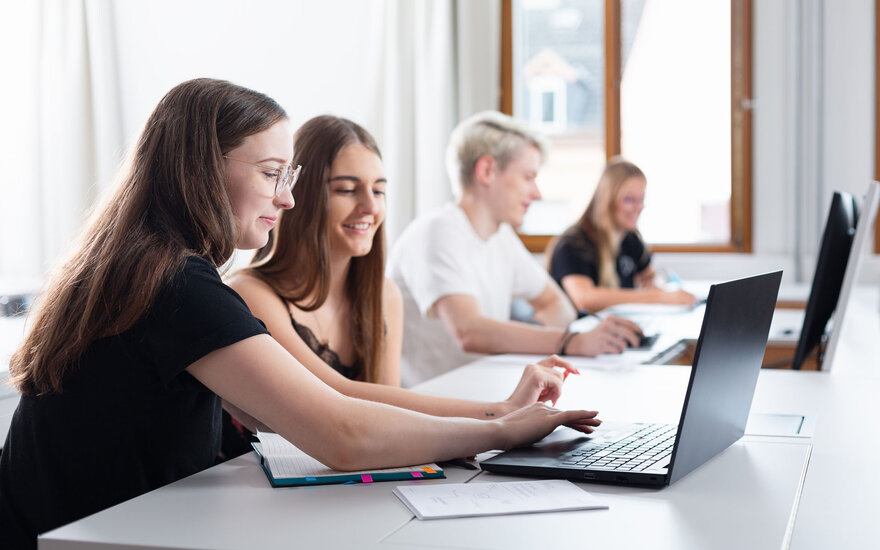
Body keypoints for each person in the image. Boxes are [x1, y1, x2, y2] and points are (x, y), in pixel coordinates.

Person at [0, 80, 601, 548]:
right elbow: (340, 429)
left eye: (288, 176)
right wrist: (500, 431)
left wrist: (500, 412)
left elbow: (306, 410)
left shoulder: (139, 266)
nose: (286, 197)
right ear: (200, 171)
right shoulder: (176, 284)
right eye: (271, 175)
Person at [224, 115, 574, 455]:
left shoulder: (382, 296)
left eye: (379, 191)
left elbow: (387, 419)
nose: (369, 206)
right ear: (300, 197)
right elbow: (336, 395)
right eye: (347, 189)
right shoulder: (251, 293)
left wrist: (504, 413)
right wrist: (500, 413)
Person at [388, 111, 643, 387]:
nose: (537, 193)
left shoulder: (501, 237)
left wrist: (568, 346)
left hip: (485, 400)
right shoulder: (436, 232)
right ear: (487, 171)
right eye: (528, 177)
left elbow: (555, 304)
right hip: (431, 407)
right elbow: (469, 331)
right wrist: (573, 342)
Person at [548, 157, 697, 313]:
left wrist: (656, 287)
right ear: (608, 200)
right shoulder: (574, 243)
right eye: (629, 200)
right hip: (579, 332)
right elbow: (585, 299)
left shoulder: (630, 240)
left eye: (641, 199)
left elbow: (650, 277)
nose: (638, 207)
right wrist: (659, 297)